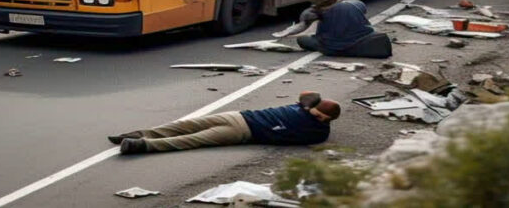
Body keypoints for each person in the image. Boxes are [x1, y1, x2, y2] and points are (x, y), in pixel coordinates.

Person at [112, 91, 340, 154]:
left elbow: (289, 140)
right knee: (184, 125)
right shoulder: (308, 105)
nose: (314, 116)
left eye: (319, 117)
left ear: (328, 120)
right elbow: (308, 94)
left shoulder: (317, 130)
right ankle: (138, 134)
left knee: (192, 139)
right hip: (238, 117)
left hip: (243, 131)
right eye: (314, 112)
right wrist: (309, 107)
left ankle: (142, 144)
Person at [283, 0, 392, 57]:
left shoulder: (315, 12)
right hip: (362, 38)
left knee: (303, 40)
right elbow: (363, 10)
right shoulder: (354, 3)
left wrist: (286, 33)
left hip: (332, 46)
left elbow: (303, 23)